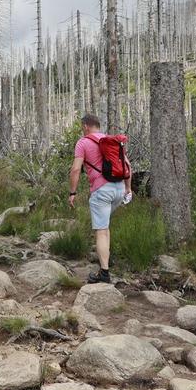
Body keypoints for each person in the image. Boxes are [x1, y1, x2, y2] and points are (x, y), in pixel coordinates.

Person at [68, 114, 132, 284]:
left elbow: (75, 170)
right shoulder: (112, 140)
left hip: (101, 191)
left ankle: (104, 273)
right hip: (119, 189)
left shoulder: (83, 142)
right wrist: (128, 188)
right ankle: (105, 264)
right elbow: (128, 166)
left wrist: (72, 193)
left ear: (85, 126)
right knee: (105, 228)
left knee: (101, 231)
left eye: (82, 127)